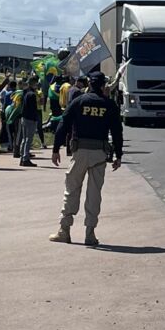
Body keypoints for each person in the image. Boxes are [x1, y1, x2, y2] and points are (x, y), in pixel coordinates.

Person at [49, 71, 123, 247]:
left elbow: (63, 124)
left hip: (80, 151)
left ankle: (64, 230)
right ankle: (90, 233)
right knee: (94, 194)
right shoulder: (109, 104)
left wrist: (56, 148)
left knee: (72, 190)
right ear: (104, 84)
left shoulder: (79, 101)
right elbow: (117, 132)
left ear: (89, 83)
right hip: (99, 153)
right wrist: (119, 155)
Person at [20, 76, 40, 167]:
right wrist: (35, 119)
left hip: (24, 117)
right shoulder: (32, 94)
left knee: (24, 139)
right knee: (29, 139)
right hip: (30, 119)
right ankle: (25, 158)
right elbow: (33, 109)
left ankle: (22, 157)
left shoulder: (25, 92)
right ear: (33, 84)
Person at [0, 79, 15, 150]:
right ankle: (11, 144)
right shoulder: (17, 93)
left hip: (7, 113)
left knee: (7, 129)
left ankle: (9, 145)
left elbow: (4, 105)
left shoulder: (8, 94)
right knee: (11, 129)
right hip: (13, 113)